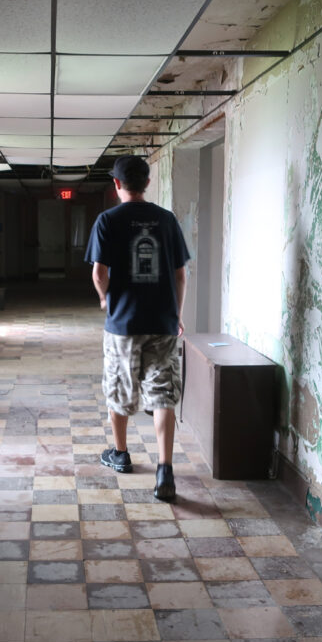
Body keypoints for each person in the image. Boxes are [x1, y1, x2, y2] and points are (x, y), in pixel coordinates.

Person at [84, 155, 191, 500]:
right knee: (163, 394)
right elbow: (180, 274)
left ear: (116, 185)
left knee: (119, 389)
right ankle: (165, 469)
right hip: (162, 321)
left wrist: (105, 299)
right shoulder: (166, 220)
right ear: (147, 183)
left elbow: (99, 273)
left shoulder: (107, 220)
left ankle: (121, 453)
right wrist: (176, 315)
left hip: (123, 324)